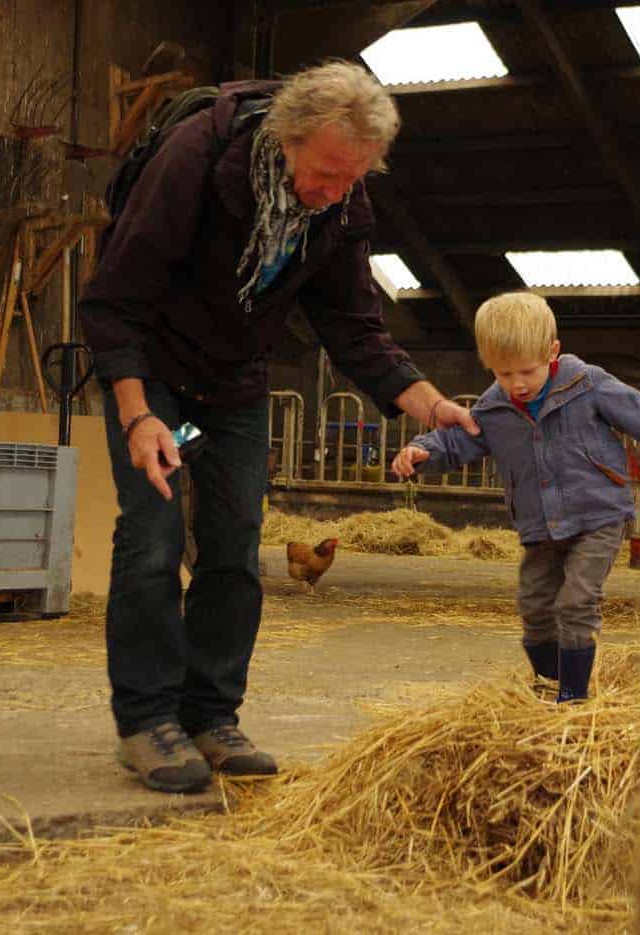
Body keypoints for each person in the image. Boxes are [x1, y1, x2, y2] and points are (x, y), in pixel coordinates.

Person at [79, 61, 478, 794]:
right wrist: (137, 415)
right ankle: (146, 721)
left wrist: (430, 404)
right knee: (153, 539)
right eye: (323, 173)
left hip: (235, 377)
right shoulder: (197, 158)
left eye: (349, 179)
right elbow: (115, 300)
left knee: (234, 547)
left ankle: (210, 714)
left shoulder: (343, 207)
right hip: (154, 368)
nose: (331, 193)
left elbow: (355, 327)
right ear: (288, 139)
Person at [391, 292, 640, 703]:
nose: (516, 383)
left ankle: (573, 696)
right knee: (534, 608)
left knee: (576, 602)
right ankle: (550, 680)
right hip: (539, 525)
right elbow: (460, 440)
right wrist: (424, 450)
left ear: (552, 352)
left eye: (527, 371)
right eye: (502, 373)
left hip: (597, 516)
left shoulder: (588, 385)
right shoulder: (495, 407)